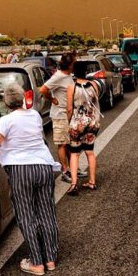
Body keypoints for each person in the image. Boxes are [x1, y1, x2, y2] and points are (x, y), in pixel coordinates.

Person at [0, 84, 60, 276]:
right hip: (44, 167)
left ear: (6, 102)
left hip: (21, 170)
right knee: (47, 212)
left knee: (26, 215)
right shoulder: (35, 116)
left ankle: (36, 263)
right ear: (23, 98)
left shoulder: (5, 121)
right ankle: (50, 258)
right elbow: (27, 139)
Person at [40, 53, 79, 182]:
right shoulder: (58, 76)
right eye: (74, 62)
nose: (76, 64)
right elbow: (43, 89)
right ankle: (65, 171)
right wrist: (52, 99)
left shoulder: (68, 76)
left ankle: (72, 168)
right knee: (62, 144)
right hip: (60, 115)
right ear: (69, 64)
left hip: (68, 114)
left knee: (69, 143)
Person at [65, 67, 103, 196]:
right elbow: (95, 102)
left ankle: (74, 184)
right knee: (90, 152)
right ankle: (92, 182)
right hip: (92, 122)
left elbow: (69, 108)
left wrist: (69, 122)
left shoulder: (72, 87)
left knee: (74, 154)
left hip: (77, 123)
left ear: (74, 74)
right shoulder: (93, 85)